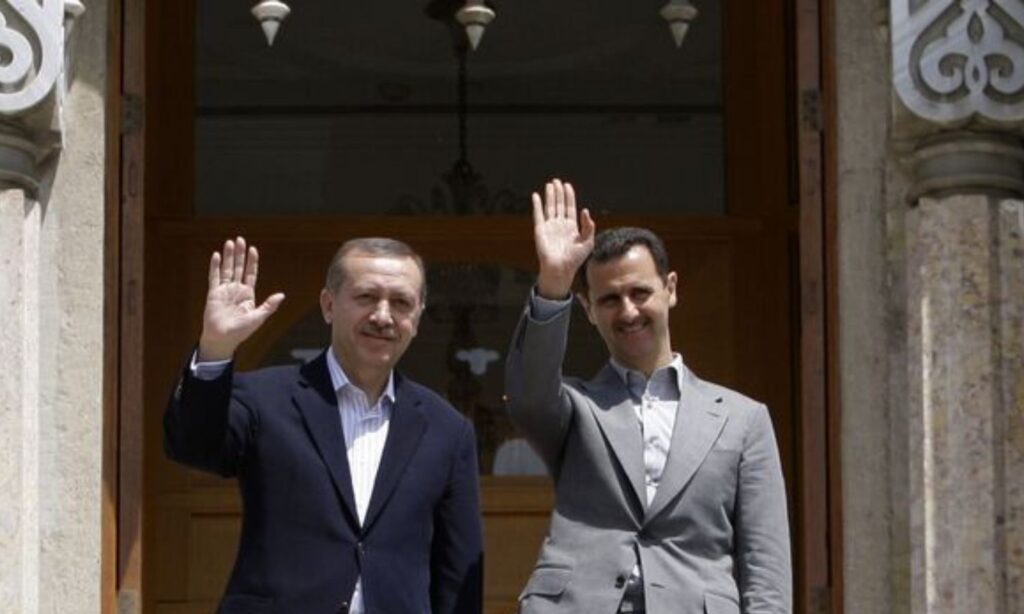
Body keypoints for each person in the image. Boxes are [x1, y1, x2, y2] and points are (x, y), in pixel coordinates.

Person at [505, 180, 791, 613]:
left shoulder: (743, 419)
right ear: (588, 309)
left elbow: (765, 563)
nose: (628, 311)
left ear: (670, 289)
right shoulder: (575, 408)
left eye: (640, 293)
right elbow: (527, 393)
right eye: (609, 299)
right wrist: (554, 283)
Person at [164, 236, 483, 614]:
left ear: (416, 318)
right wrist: (216, 349)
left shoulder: (446, 430)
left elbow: (457, 572)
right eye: (366, 297)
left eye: (401, 302)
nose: (383, 316)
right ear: (328, 305)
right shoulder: (265, 398)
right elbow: (192, 446)